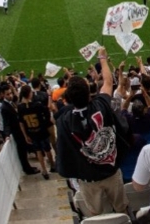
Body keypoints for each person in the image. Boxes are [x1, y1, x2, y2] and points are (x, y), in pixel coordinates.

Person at [56, 48, 129, 215]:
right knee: (121, 209)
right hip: (110, 170)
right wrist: (102, 57)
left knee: (95, 215)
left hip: (88, 177)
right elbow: (109, 82)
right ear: (89, 93)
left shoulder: (64, 121)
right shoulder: (101, 105)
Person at [0, 83, 40, 176]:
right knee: (22, 151)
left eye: (10, 93)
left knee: (24, 149)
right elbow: (6, 123)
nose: (10, 95)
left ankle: (28, 167)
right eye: (7, 94)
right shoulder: (4, 107)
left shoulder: (11, 103)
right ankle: (27, 168)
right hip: (17, 132)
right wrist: (6, 135)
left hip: (20, 130)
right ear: (3, 95)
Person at [18, 85, 55, 179]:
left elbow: (21, 123)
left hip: (31, 132)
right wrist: (49, 97)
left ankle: (44, 170)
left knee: (38, 150)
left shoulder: (20, 107)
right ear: (29, 94)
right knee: (47, 149)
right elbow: (47, 109)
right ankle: (52, 165)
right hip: (41, 130)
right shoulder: (37, 105)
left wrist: (25, 135)